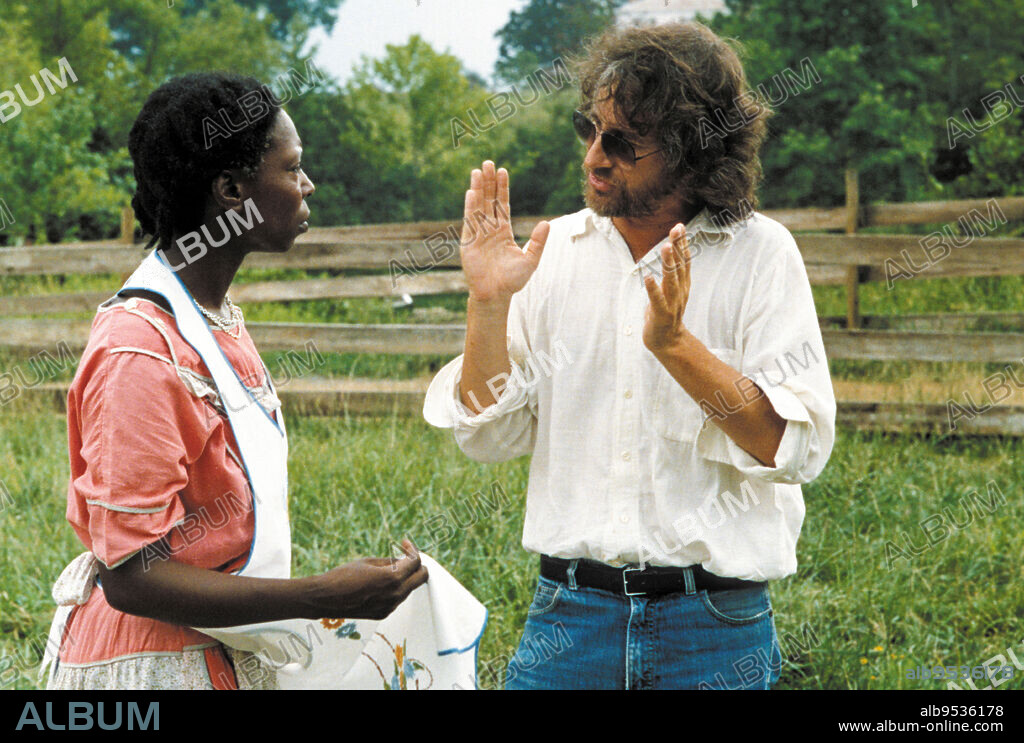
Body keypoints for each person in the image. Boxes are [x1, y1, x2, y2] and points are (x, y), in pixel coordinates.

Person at [423, 21, 836, 690]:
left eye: (621, 141)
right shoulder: (551, 253)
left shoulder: (762, 255)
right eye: (589, 130)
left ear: (691, 150)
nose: (594, 156)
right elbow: (488, 434)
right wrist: (488, 303)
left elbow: (792, 449)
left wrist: (675, 347)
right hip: (567, 621)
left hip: (714, 629)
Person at [45, 72, 428, 690]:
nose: (308, 185)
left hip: (216, 651)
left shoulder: (208, 322)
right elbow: (129, 576)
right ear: (231, 190)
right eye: (292, 167)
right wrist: (321, 594)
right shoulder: (140, 353)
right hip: (156, 666)